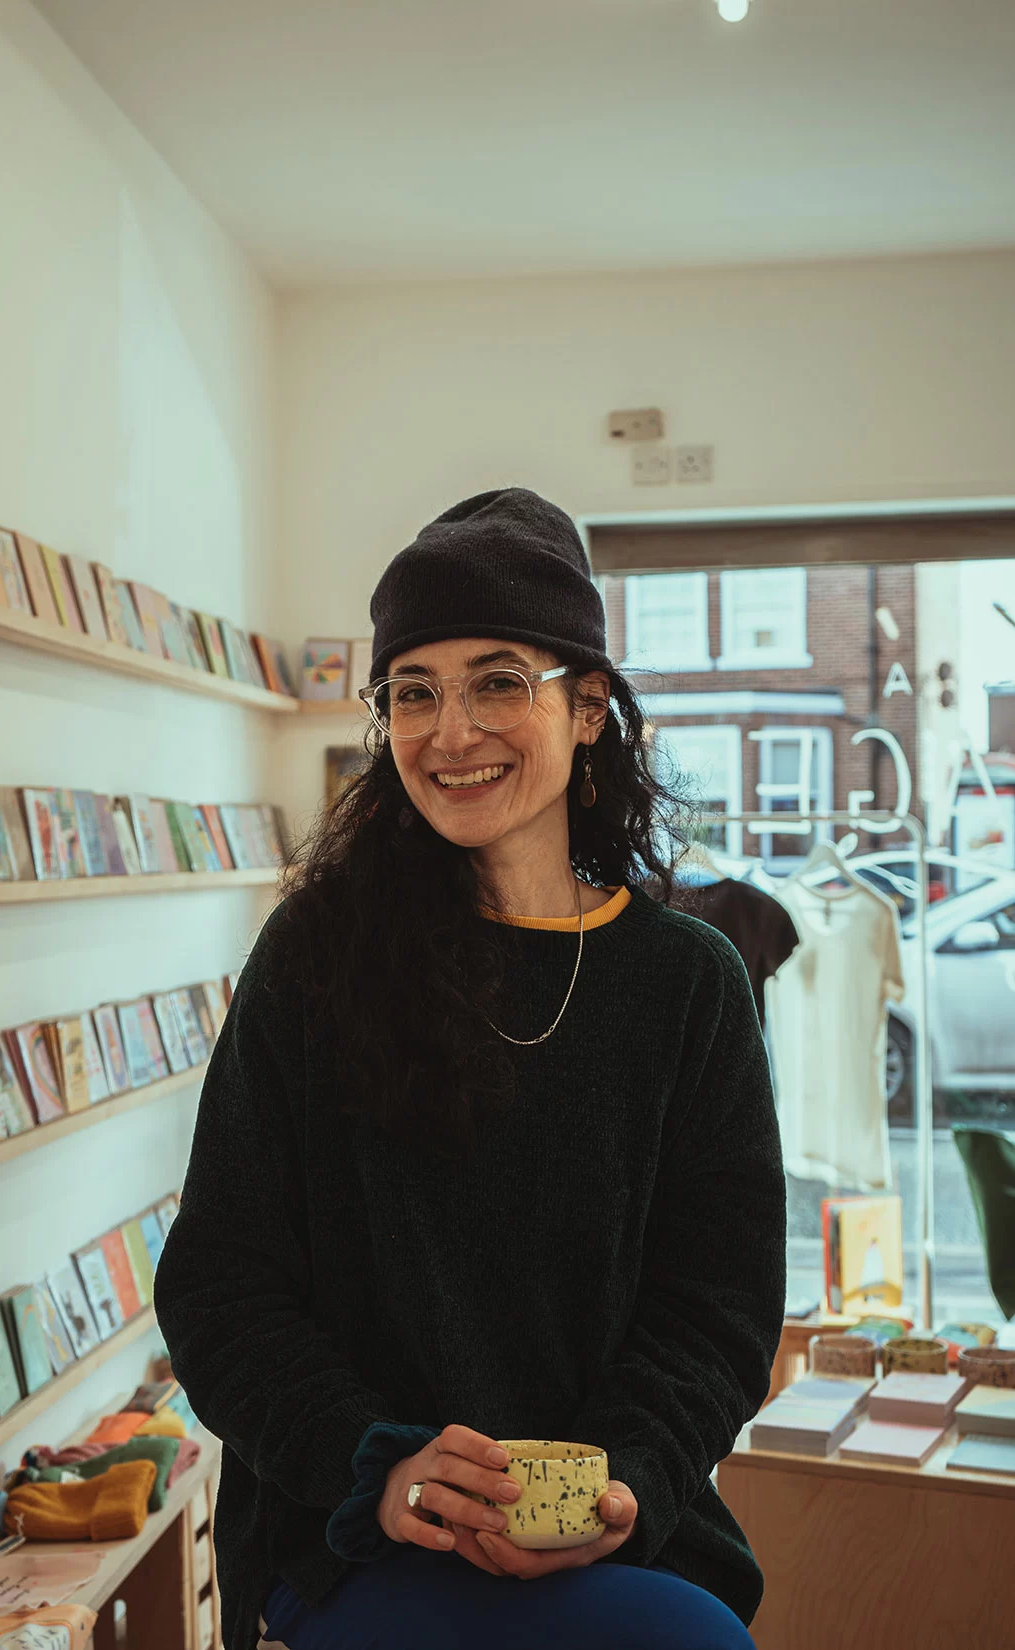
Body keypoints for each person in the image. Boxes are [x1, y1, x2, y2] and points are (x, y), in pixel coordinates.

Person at [153, 488, 787, 1650]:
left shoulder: (687, 984)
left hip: (618, 1527)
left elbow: (717, 1311)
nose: (450, 734)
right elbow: (218, 1287)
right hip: (353, 1530)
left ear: (589, 707)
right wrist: (377, 1467)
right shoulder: (317, 955)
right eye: (414, 691)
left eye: (499, 682)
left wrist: (624, 1479)